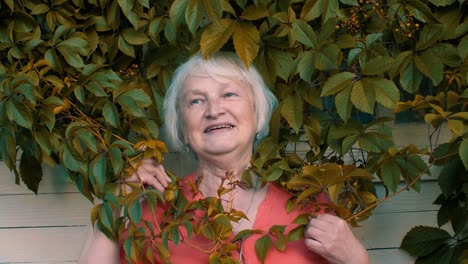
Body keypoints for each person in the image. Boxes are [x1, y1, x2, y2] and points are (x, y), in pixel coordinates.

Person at [78, 52, 369, 264]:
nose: (214, 110)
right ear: (181, 127)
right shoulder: (155, 214)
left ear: (257, 114)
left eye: (229, 94)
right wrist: (117, 202)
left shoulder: (310, 206)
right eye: (196, 100)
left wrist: (356, 258)